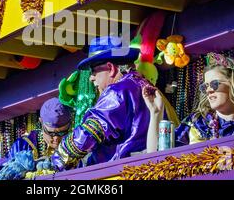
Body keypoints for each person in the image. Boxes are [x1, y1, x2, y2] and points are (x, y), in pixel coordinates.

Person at [50, 35, 179, 171]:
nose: (91, 78)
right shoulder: (143, 84)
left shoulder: (118, 91)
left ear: (111, 68)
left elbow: (90, 131)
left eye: (93, 71)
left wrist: (57, 160)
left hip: (124, 172)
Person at [143, 52, 234, 152]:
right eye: (205, 86)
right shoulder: (196, 124)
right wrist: (155, 113)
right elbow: (156, 158)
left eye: (214, 84)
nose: (208, 91)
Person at [8, 97, 72, 161]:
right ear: (41, 122)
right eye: (51, 133)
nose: (56, 138)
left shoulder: (77, 142)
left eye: (62, 132)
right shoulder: (22, 145)